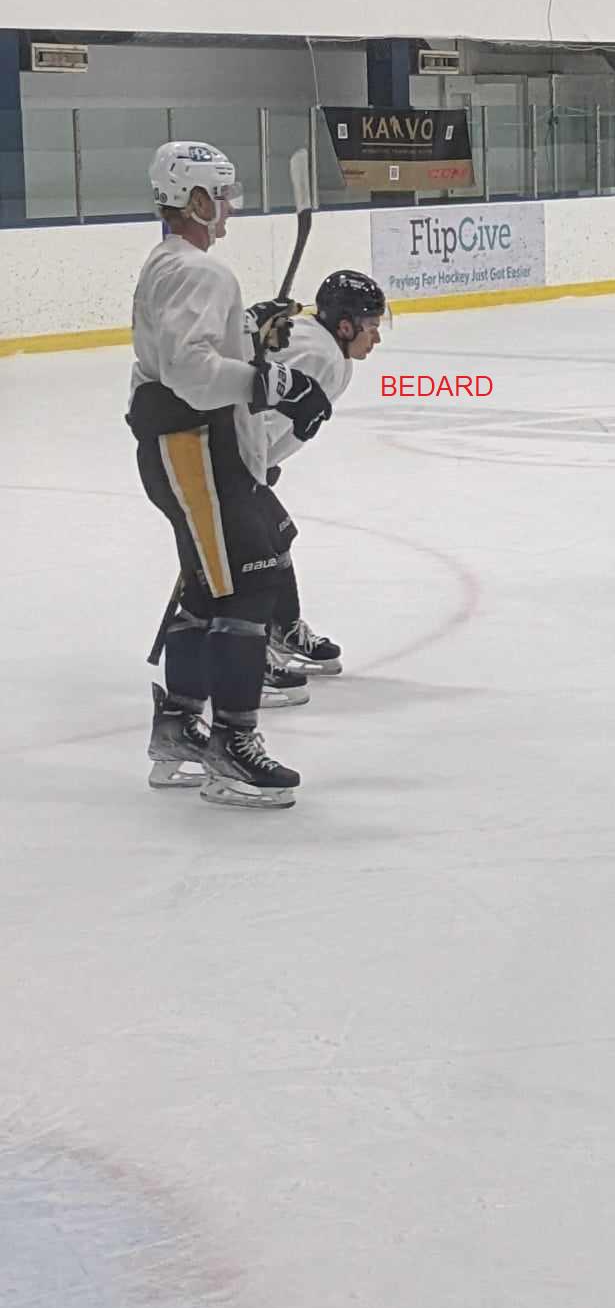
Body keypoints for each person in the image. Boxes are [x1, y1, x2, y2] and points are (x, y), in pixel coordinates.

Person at [129, 140, 331, 808]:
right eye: (221, 195)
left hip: (191, 446)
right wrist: (273, 380)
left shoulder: (172, 262)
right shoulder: (200, 271)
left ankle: (178, 728)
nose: (230, 207)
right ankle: (232, 746)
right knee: (252, 582)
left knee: (207, 587)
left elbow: (189, 350)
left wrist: (247, 331)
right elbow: (190, 372)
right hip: (194, 446)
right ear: (193, 200)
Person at [263, 270, 388, 680]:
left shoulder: (323, 346)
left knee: (277, 535)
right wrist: (254, 462)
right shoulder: (320, 356)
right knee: (252, 550)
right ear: (346, 326)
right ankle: (246, 650)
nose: (376, 336)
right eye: (371, 325)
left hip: (238, 456)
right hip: (222, 456)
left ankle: (281, 629)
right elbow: (261, 419)